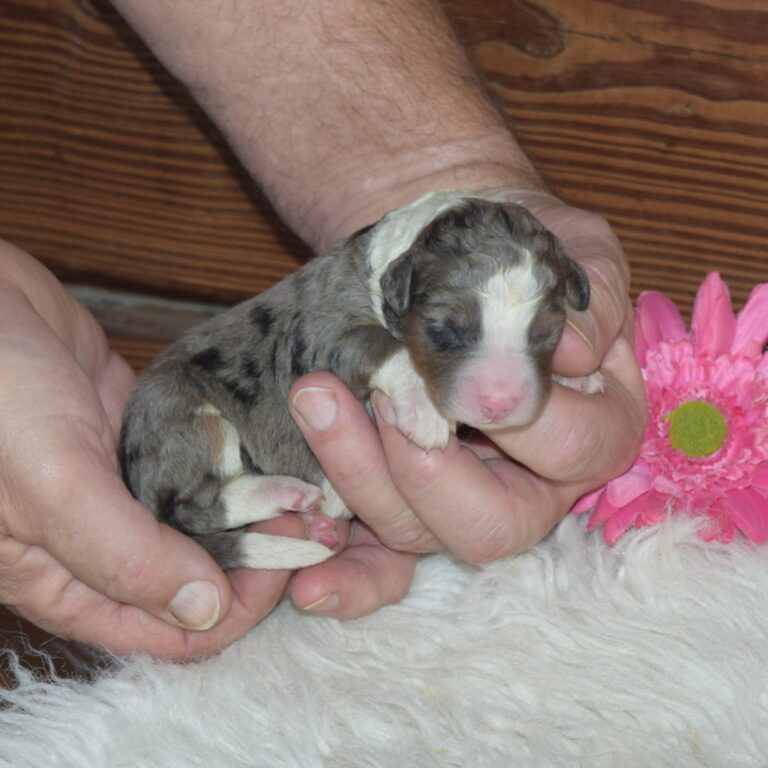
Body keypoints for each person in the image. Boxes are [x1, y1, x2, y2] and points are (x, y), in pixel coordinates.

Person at [0, 0, 646, 660]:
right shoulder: (352, 295)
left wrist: (569, 367)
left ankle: (251, 500)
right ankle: (211, 509)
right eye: (452, 333)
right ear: (400, 288)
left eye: (540, 335)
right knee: (182, 409)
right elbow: (338, 347)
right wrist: (402, 374)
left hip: (289, 459)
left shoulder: (432, 280)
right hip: (201, 397)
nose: (505, 391)